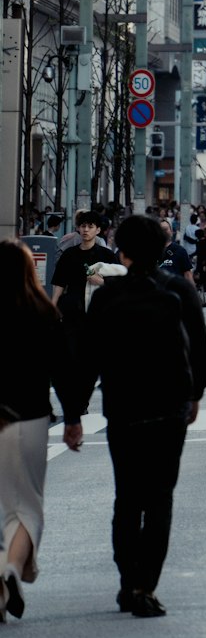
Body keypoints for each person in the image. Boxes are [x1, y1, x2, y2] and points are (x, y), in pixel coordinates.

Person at [76, 214, 206, 619]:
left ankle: (127, 580)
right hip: (169, 409)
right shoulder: (178, 292)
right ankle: (146, 585)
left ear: (123, 251)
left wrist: (73, 412)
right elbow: (199, 348)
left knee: (128, 497)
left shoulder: (107, 297)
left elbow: (88, 357)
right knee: (160, 498)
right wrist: (195, 395)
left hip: (123, 409)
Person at [0, 242, 82, 622]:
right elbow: (63, 370)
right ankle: (10, 572)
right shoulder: (42, 312)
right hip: (28, 418)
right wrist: (72, 418)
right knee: (27, 507)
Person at [49, 210, 117, 352]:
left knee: (94, 349)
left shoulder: (107, 255)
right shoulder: (69, 254)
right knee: (72, 348)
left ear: (98, 230)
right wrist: (53, 304)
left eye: (90, 226)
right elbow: (59, 281)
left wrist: (101, 282)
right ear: (78, 228)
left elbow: (119, 284)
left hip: (97, 309)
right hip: (72, 308)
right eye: (83, 226)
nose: (86, 230)